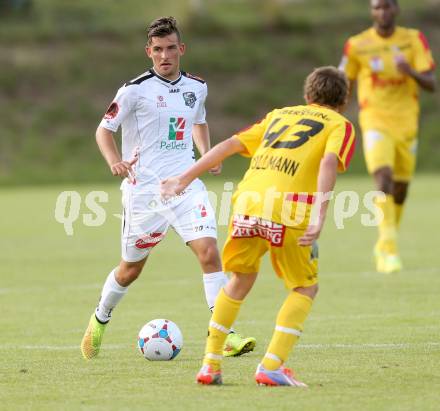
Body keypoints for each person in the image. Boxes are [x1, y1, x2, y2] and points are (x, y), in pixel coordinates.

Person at [161, 66, 356, 386]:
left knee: (239, 280)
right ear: (344, 101)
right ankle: (272, 366)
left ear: (307, 96)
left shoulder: (279, 115)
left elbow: (230, 145)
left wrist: (184, 178)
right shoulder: (340, 124)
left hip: (247, 203)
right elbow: (329, 162)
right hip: (288, 212)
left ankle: (210, 365)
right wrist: (319, 216)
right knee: (304, 287)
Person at [80, 17, 255, 360]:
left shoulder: (197, 87)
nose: (164, 56)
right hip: (145, 194)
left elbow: (199, 121)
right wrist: (115, 161)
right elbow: (104, 130)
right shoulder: (133, 90)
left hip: (187, 185)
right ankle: (100, 319)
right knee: (131, 269)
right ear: (149, 52)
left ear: (181, 49)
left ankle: (224, 334)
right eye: (157, 50)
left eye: (170, 48)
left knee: (209, 252)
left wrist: (206, 154)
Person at [339, 0, 436, 273]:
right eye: (376, 7)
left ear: (396, 9)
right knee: (383, 178)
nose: (382, 12)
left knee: (401, 189)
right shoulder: (357, 44)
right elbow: (344, 82)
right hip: (375, 120)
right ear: (371, 11)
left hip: (407, 122)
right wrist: (335, 114)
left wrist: (410, 72)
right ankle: (389, 247)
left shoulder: (413, 39)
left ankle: (384, 243)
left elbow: (431, 83)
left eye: (386, 7)